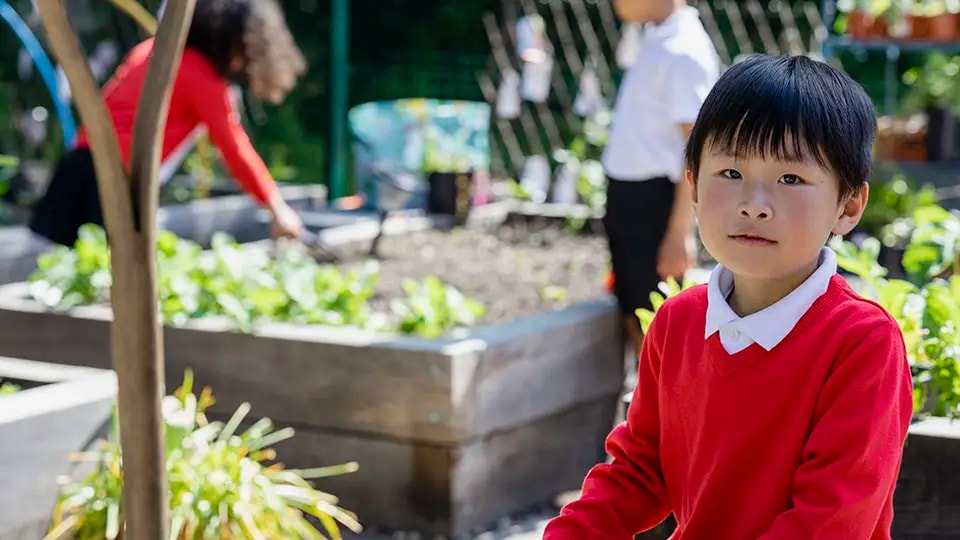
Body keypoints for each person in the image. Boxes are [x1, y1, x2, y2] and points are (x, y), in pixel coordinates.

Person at [542, 54, 914, 539]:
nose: (754, 205)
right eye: (731, 173)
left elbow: (829, 522)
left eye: (791, 179)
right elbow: (640, 469)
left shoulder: (862, 344)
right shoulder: (677, 321)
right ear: (692, 186)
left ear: (848, 206)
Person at [30, 0, 307, 247]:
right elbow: (234, 147)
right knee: (116, 275)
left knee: (61, 270)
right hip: (114, 183)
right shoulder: (202, 78)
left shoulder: (148, 51)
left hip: (78, 165)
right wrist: (276, 207)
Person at [602, 0, 720, 358]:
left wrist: (679, 232)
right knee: (631, 309)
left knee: (655, 324)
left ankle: (661, 411)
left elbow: (697, 148)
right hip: (629, 197)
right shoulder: (655, 38)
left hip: (654, 203)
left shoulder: (684, 50)